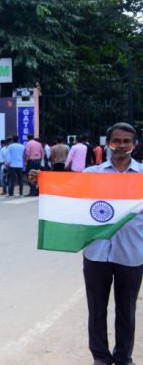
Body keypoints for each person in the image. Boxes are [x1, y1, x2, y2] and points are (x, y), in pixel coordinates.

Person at [77, 123, 141, 365]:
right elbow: (71, 200)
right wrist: (43, 181)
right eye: (117, 140)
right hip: (96, 253)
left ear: (134, 145)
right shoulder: (91, 175)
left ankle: (123, 357)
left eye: (127, 141)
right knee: (97, 308)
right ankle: (101, 358)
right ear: (108, 143)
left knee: (127, 310)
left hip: (132, 253)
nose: (121, 145)